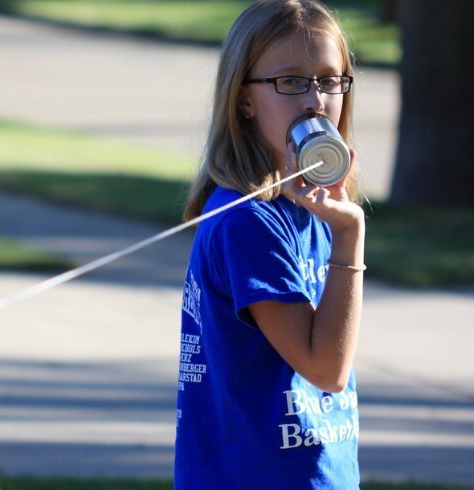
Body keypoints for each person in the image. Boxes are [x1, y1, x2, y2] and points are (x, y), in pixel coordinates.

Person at [175, 0, 364, 488]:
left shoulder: (308, 208)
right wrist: (350, 237)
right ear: (245, 100)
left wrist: (337, 226)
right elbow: (326, 369)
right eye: (290, 82)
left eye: (328, 79)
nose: (314, 101)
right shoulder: (250, 222)